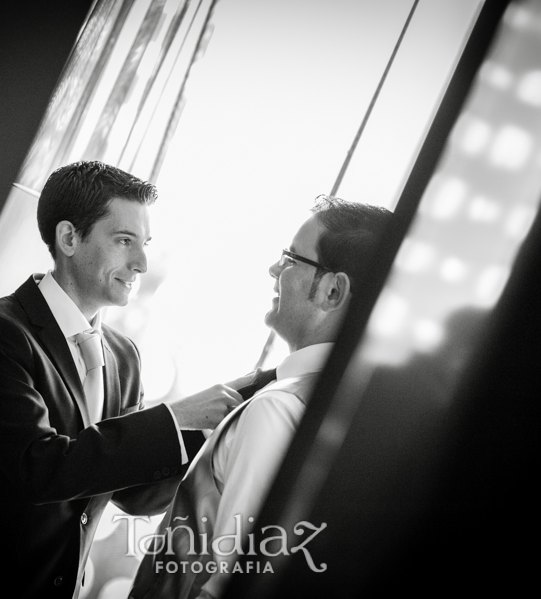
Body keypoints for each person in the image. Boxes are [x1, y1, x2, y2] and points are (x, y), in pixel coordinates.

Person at [0, 161, 252, 599]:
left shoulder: (124, 356)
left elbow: (134, 496)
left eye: (145, 244)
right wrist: (173, 418)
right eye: (124, 241)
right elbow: (41, 469)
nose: (141, 262)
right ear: (69, 238)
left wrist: (207, 433)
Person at [128, 195, 393, 599]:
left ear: (333, 291)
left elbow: (228, 579)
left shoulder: (278, 407)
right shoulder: (359, 413)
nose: (274, 270)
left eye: (290, 259)